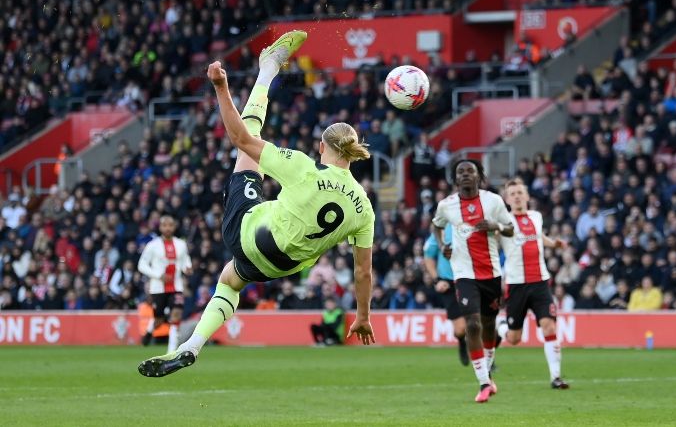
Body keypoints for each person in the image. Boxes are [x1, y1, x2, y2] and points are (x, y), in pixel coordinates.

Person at [138, 31, 376, 378]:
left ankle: (267, 69)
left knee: (248, 148)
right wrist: (363, 316)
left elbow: (240, 138)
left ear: (322, 147)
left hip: (249, 234)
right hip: (282, 266)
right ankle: (191, 346)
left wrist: (221, 86)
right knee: (230, 279)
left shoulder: (304, 167)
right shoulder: (364, 208)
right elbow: (363, 272)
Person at [432, 159, 514, 403]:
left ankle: (487, 371)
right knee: (473, 325)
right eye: (461, 172)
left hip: (491, 273)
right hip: (464, 274)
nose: (466, 174)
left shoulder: (494, 201)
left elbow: (510, 228)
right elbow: (435, 226)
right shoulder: (446, 206)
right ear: (455, 179)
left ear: (479, 176)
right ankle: (483, 383)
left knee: (489, 325)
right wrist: (442, 246)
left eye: (470, 171)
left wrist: (495, 226)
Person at [495, 179, 569, 389]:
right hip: (516, 284)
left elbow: (538, 236)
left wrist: (553, 243)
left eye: (520, 192)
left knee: (549, 325)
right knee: (514, 338)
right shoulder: (504, 222)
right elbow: (492, 240)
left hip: (540, 282)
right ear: (507, 200)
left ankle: (556, 377)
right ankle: (499, 327)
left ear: (527, 196)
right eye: (513, 194)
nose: (517, 196)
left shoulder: (536, 217)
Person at [137, 215, 192, 352]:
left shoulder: (181, 244)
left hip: (176, 286)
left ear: (174, 227)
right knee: (159, 319)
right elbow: (141, 265)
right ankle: (150, 331)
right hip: (158, 288)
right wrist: (158, 275)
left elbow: (186, 260)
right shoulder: (152, 245)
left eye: (170, 225)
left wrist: (188, 267)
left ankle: (171, 351)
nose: (167, 228)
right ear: (160, 227)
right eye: (165, 225)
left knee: (176, 314)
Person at [424, 224, 468, 366]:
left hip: (470, 279)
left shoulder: (470, 224)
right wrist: (437, 280)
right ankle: (462, 341)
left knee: (476, 323)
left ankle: (487, 361)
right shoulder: (441, 230)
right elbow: (429, 256)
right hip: (448, 283)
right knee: (461, 329)